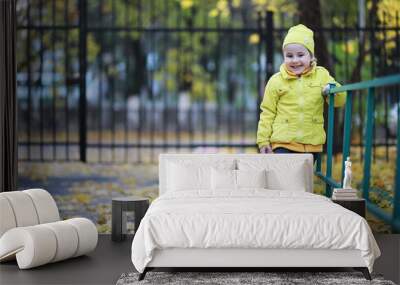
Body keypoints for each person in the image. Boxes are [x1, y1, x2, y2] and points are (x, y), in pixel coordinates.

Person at [256, 24, 346, 162]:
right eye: (289, 56)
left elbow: (340, 100)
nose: (295, 60)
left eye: (300, 55)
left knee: (303, 180)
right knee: (286, 178)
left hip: (311, 144)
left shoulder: (321, 75)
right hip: (283, 142)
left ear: (311, 56)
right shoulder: (276, 81)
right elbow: (267, 112)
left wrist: (331, 89)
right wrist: (263, 141)